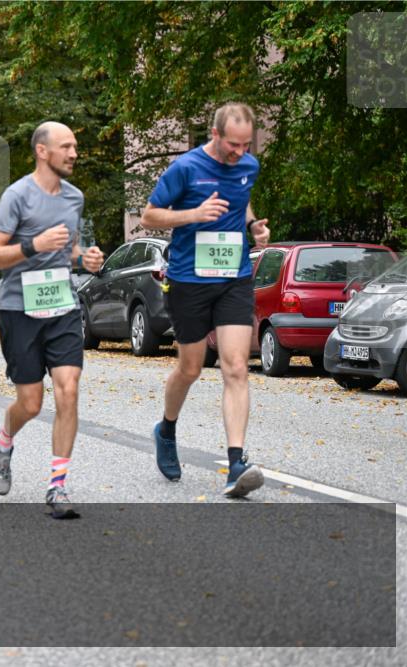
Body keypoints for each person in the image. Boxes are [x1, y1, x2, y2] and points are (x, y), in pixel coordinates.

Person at [140, 102, 271, 498]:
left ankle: (236, 464)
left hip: (234, 277)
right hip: (189, 280)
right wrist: (194, 214)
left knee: (236, 367)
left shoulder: (248, 166)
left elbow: (241, 198)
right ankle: (166, 429)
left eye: (247, 145)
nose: (240, 153)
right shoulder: (185, 168)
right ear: (215, 134)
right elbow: (149, 216)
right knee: (191, 367)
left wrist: (253, 225)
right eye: (233, 145)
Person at [0, 121, 105, 519]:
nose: (73, 153)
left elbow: (68, 248)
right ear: (42, 151)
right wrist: (32, 245)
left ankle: (58, 486)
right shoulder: (17, 196)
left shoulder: (74, 197)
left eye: (75, 146)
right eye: (66, 146)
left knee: (68, 390)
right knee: (31, 403)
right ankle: (3, 441)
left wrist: (84, 258)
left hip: (62, 306)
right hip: (21, 309)